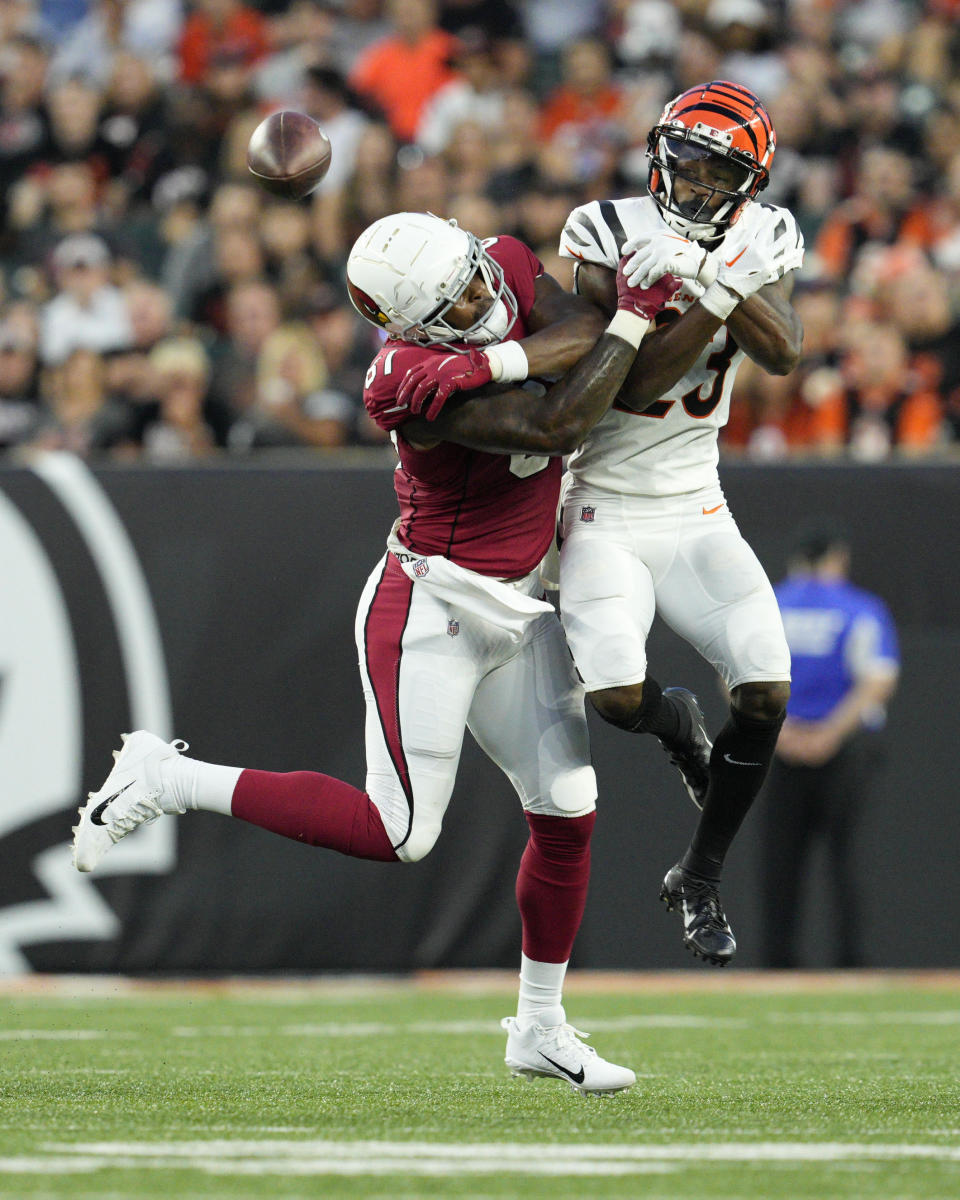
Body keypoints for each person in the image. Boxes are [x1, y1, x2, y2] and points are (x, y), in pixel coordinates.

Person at [73, 209, 680, 1095]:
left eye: (478, 276)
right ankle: (167, 780)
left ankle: (541, 1027)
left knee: (568, 808)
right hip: (431, 605)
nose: (485, 294)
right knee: (398, 832)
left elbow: (578, 328)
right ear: (404, 323)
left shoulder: (500, 264)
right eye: (458, 299)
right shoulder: (402, 381)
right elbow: (559, 424)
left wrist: (522, 345)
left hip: (516, 606)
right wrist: (627, 319)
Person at [556, 79, 805, 964]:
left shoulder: (763, 239)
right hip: (601, 506)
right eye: (688, 161)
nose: (697, 183)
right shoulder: (605, 230)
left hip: (698, 504)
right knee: (619, 697)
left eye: (717, 171)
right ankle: (677, 727)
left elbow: (783, 352)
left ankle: (698, 878)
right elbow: (634, 381)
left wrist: (715, 274)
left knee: (770, 688)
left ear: (749, 182)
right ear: (660, 152)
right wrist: (713, 289)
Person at [759, 521, 899, 968]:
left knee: (780, 865)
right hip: (845, 750)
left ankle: (777, 964)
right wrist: (829, 734)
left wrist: (781, 733)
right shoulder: (859, 608)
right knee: (851, 862)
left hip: (779, 747)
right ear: (837, 559)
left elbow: (736, 676)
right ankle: (854, 962)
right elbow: (878, 679)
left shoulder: (770, 606)